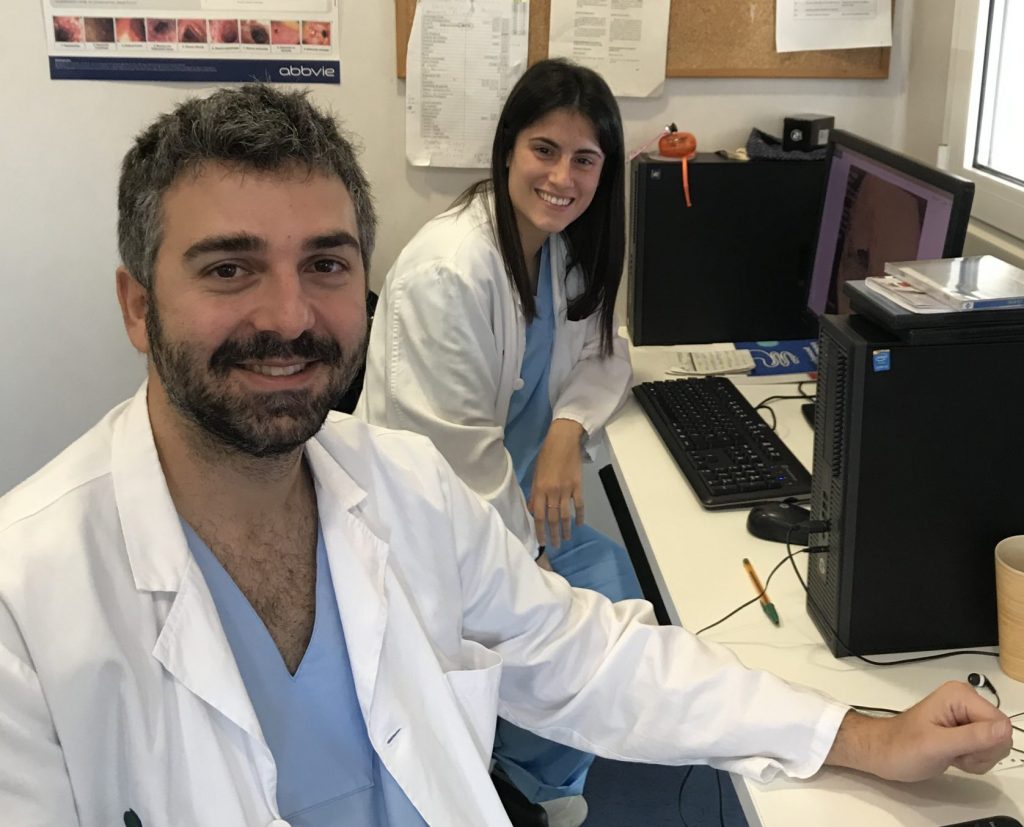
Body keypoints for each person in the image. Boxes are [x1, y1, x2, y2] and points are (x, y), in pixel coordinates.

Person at [0, 85, 1011, 827]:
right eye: (230, 268)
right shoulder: (25, 599)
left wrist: (857, 732)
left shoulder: (401, 488)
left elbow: (591, 659)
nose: (291, 315)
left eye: (327, 264)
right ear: (138, 306)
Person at [356, 59, 640, 822]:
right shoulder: (450, 274)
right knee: (578, 624)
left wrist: (566, 431)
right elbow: (451, 470)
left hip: (512, 508)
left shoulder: (560, 249)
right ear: (509, 146)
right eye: (545, 149)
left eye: (585, 159)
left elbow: (607, 353)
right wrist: (533, 571)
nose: (562, 177)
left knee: (614, 584)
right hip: (442, 532)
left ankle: (536, 774)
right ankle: (516, 782)